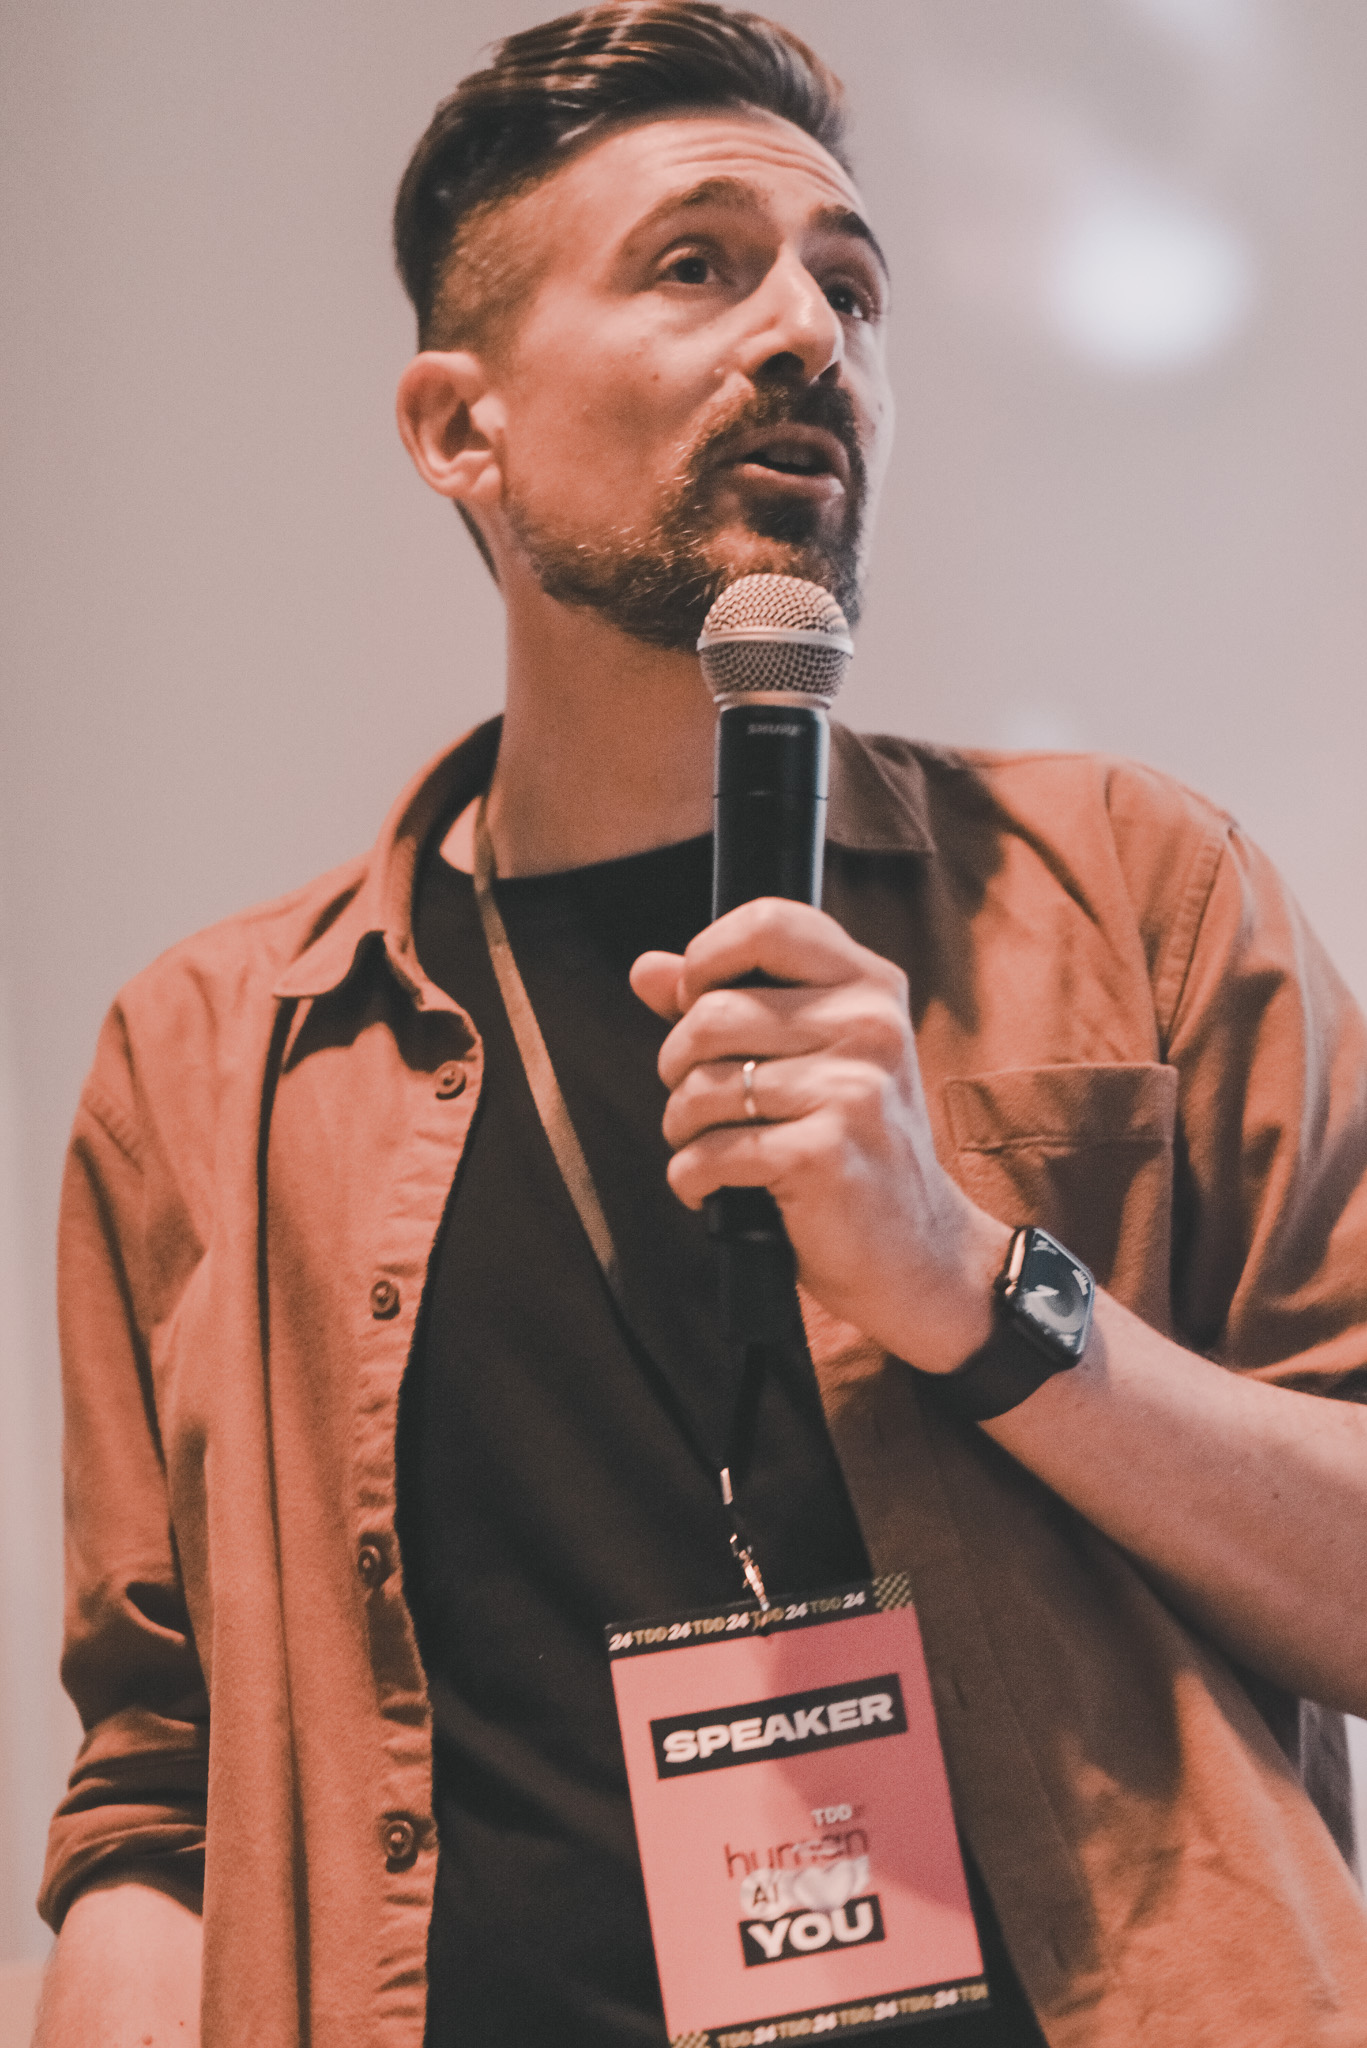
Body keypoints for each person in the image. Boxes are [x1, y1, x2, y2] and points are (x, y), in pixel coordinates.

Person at [32, 6, 1367, 2046]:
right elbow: (161, 1783)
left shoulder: (1139, 896)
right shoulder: (212, 1059)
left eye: (852, 288)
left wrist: (969, 1282)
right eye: (696, 264)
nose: (808, 335)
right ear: (459, 429)